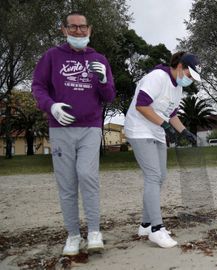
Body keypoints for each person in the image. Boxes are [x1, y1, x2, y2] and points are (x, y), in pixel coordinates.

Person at [31, 11, 116, 256]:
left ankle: (94, 231)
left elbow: (109, 96)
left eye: (83, 27)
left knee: (87, 175)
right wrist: (51, 106)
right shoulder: (51, 56)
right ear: (64, 29)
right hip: (61, 130)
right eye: (73, 27)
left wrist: (102, 79)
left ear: (90, 30)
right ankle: (73, 235)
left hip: (90, 127)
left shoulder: (99, 58)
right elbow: (38, 86)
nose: (78, 31)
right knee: (67, 184)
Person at [124, 51, 200, 248]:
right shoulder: (157, 77)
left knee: (161, 175)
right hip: (140, 129)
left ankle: (145, 225)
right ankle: (157, 229)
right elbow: (142, 105)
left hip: (156, 130)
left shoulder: (177, 88)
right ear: (180, 66)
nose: (190, 80)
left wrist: (184, 131)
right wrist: (164, 126)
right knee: (153, 175)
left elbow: (171, 113)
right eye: (190, 75)